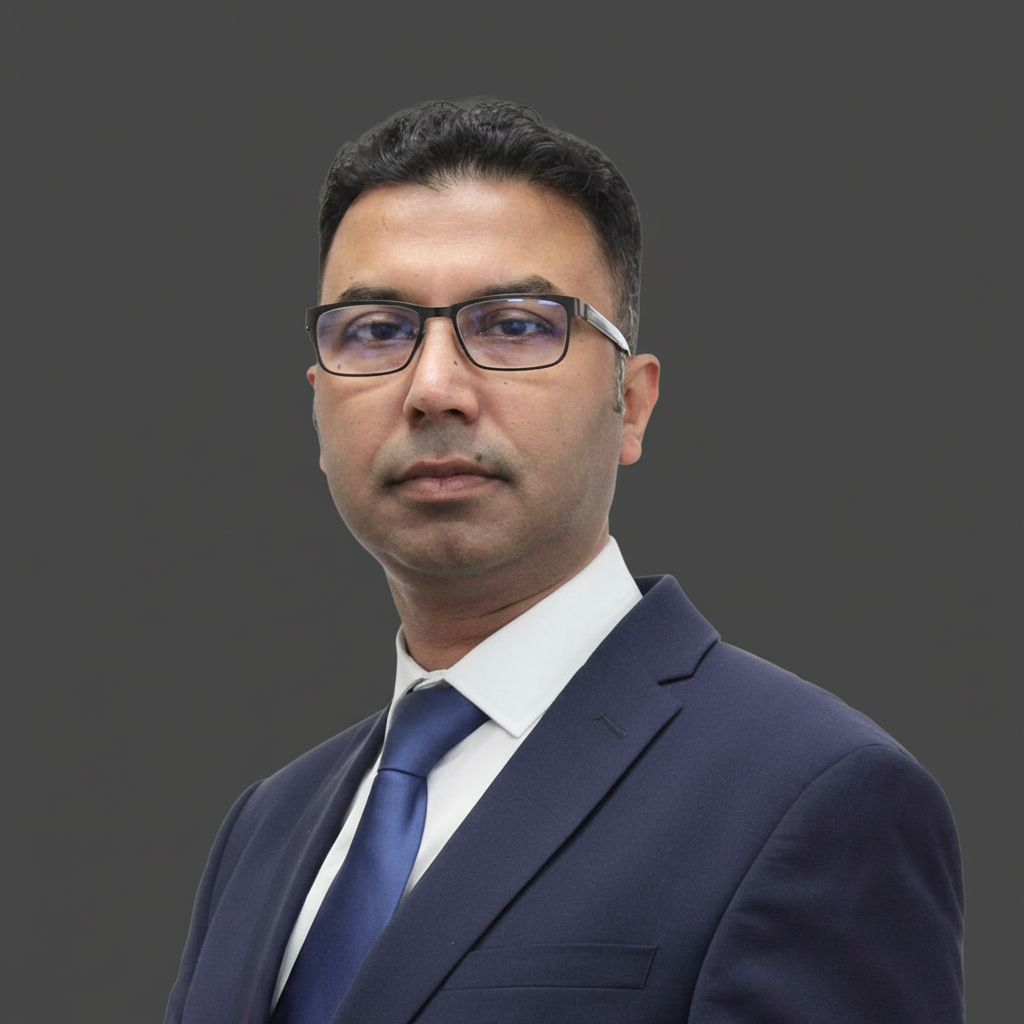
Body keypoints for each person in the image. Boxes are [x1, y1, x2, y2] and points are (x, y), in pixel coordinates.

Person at [164, 99, 964, 1024]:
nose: (433, 389)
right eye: (378, 331)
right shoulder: (264, 829)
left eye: (513, 325)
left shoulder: (813, 796)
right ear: (318, 401)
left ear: (632, 405)